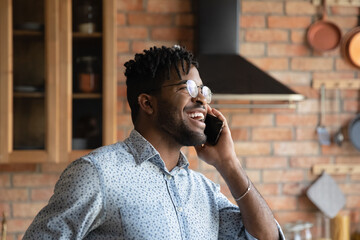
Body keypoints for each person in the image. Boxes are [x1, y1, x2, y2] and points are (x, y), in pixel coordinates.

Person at [23, 45, 285, 239]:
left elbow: (267, 237)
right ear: (147, 103)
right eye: (188, 89)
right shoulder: (97, 174)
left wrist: (229, 163)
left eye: (203, 91)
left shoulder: (204, 191)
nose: (202, 101)